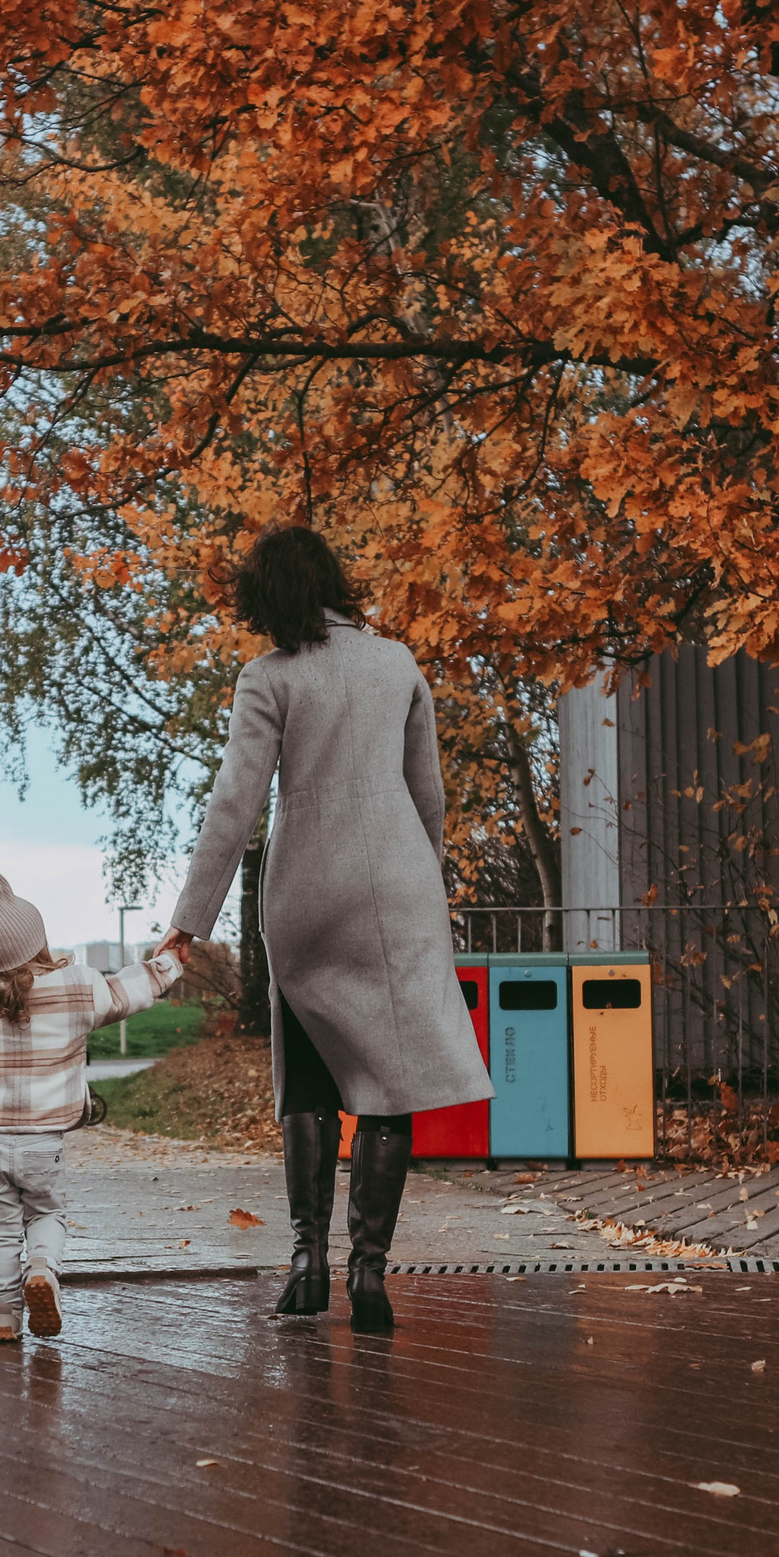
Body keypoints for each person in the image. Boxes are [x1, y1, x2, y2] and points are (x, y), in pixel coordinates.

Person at [155, 525, 491, 1333]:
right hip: (397, 888)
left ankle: (307, 1262)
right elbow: (429, 795)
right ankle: (369, 1271)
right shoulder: (398, 662)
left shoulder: (266, 678)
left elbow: (235, 805)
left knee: (308, 1075)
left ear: (270, 598)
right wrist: (422, 879)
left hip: (306, 888)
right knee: (392, 1076)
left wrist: (186, 925)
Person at [0, 870, 177, 1343]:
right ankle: (42, 1269)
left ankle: (4, 1318)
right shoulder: (77, 988)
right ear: (38, 941)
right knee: (46, 1214)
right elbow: (130, 990)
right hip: (44, 1141)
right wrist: (168, 963)